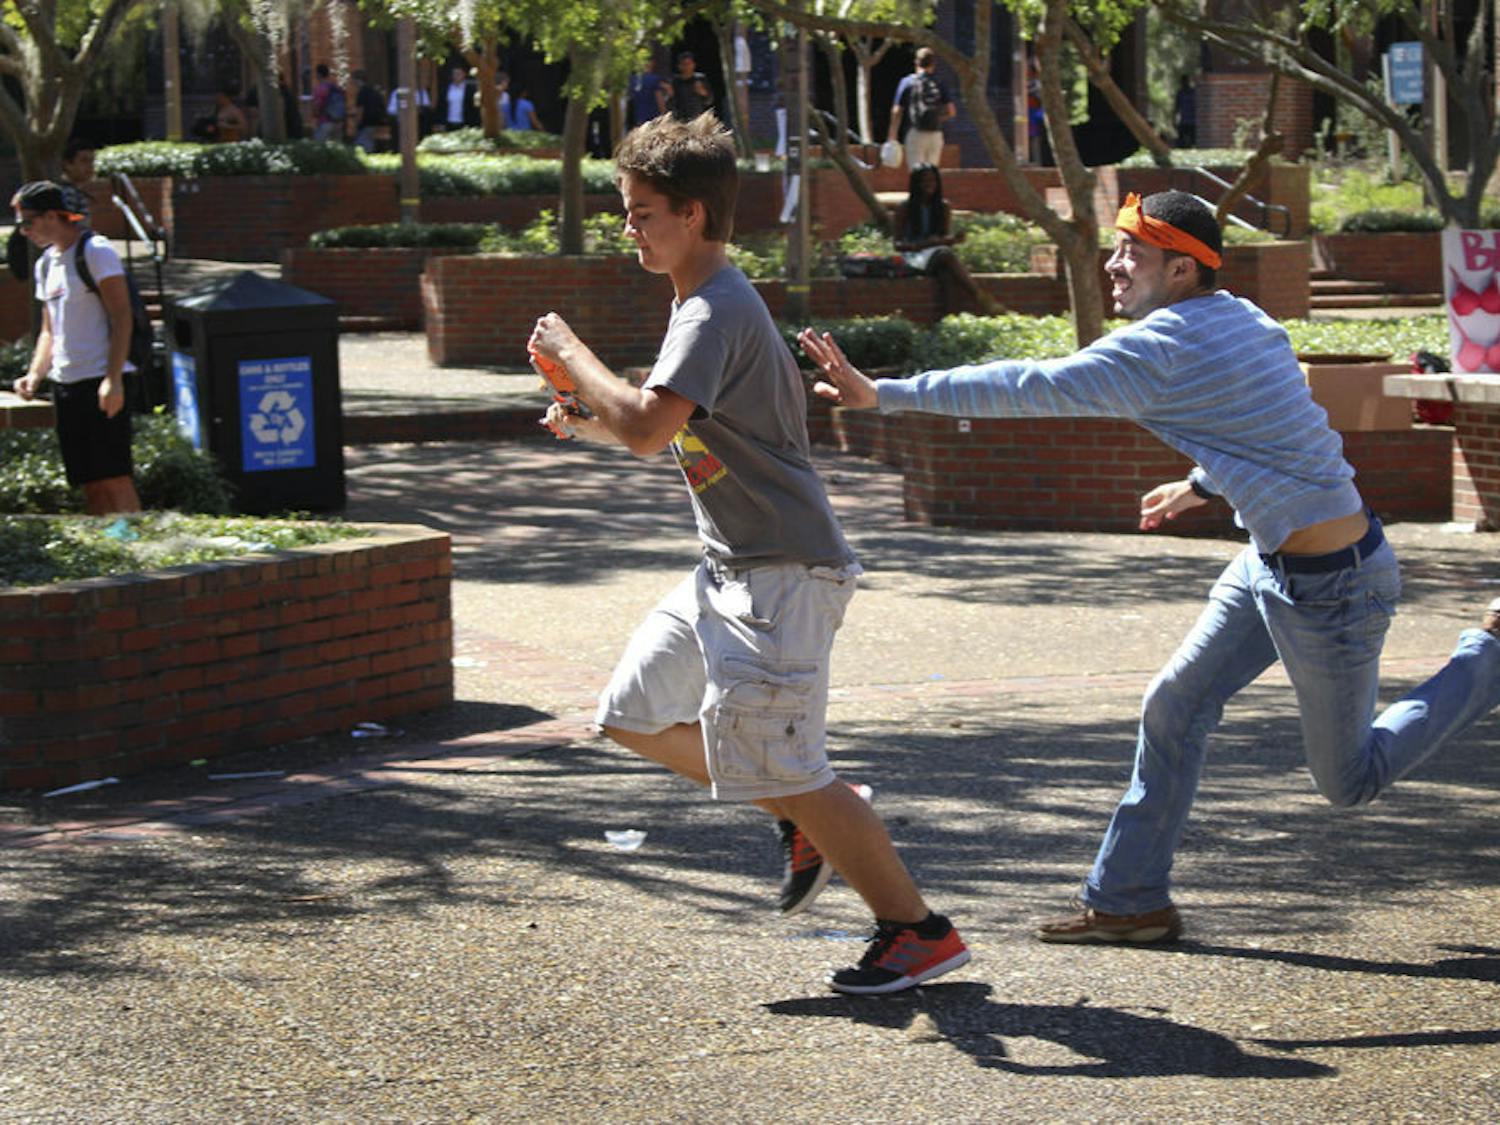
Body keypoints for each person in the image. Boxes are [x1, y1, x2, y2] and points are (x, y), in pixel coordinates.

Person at [800, 189, 1500, 946]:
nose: (1112, 263)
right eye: (1116, 247)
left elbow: (1030, 387)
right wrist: (1202, 482)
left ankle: (1490, 653)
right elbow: (1272, 418)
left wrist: (887, 394)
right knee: (1173, 705)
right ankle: (1131, 898)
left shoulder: (1158, 349)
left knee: (1348, 779)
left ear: (1181, 270)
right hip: (1270, 564)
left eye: (1131, 251)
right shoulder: (1243, 318)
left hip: (1336, 585)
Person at [527, 113, 970, 996]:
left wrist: (573, 357)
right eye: (627, 209)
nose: (630, 226)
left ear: (693, 215)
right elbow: (689, 436)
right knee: (631, 713)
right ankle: (805, 818)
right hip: (728, 568)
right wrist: (587, 417)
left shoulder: (713, 309)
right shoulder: (703, 306)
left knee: (797, 769)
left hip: (781, 576)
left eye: (642, 211)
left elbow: (653, 428)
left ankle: (917, 930)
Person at [10, 181, 140, 515]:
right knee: (89, 480)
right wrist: (35, 374)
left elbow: (122, 316)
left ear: (53, 215)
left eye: (28, 222)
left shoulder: (96, 251)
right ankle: (111, 551)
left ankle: (137, 548)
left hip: (100, 378)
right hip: (66, 382)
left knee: (115, 477)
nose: (24, 232)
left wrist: (113, 380)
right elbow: (49, 330)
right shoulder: (45, 264)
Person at [893, 163, 1003, 317]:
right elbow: (897, 244)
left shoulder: (943, 207)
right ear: (916, 183)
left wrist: (953, 239)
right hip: (914, 257)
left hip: (936, 255)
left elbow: (943, 239)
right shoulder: (905, 208)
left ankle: (949, 321)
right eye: (924, 181)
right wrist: (923, 244)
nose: (929, 185)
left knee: (947, 275)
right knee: (945, 255)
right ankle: (979, 295)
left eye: (933, 181)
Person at [889, 47, 954, 170]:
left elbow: (896, 111)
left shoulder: (907, 82)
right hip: (936, 133)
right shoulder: (940, 83)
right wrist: (937, 118)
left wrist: (892, 136)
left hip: (915, 132)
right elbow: (951, 112)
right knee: (932, 173)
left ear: (916, 62)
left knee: (916, 173)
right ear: (933, 64)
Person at [58, 138, 97, 222]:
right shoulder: (66, 192)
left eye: (92, 161)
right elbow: (66, 224)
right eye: (84, 160)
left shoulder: (76, 192)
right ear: (68, 165)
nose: (90, 166)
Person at [668, 51, 714, 121]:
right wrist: (670, 95)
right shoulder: (675, 81)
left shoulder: (700, 78)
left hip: (698, 118)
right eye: (684, 64)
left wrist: (703, 92)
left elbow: (709, 101)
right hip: (680, 119)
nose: (687, 67)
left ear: (694, 64)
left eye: (689, 64)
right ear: (679, 66)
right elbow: (669, 104)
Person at [351, 70, 387, 153]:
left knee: (363, 144)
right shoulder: (373, 90)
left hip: (366, 122)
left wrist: (356, 124)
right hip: (377, 121)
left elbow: (360, 110)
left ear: (357, 80)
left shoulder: (362, 92)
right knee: (369, 142)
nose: (353, 84)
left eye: (353, 81)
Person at [629, 57, 668, 127]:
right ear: (652, 63)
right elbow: (660, 100)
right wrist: (664, 115)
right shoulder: (654, 79)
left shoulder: (633, 80)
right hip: (654, 119)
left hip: (639, 119)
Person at [311, 64, 345, 141]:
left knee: (320, 148)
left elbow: (317, 106)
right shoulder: (335, 87)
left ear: (319, 74)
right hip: (338, 122)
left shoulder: (320, 88)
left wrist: (315, 117)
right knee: (336, 149)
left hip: (325, 121)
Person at [441, 65, 479, 133]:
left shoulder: (470, 89)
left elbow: (474, 107)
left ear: (464, 74)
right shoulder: (447, 88)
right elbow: (442, 106)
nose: (456, 76)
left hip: (466, 123)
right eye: (454, 74)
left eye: (459, 73)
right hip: (449, 123)